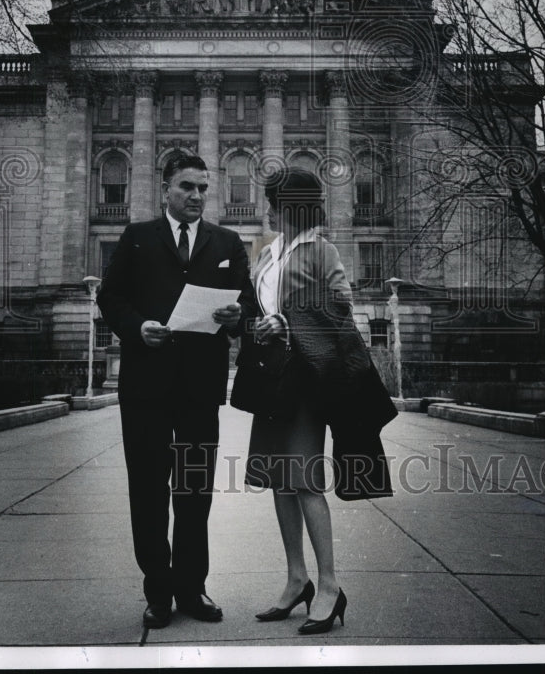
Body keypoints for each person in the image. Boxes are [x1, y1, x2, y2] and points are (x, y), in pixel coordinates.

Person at [97, 151, 255, 629]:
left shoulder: (227, 241)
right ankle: (158, 593)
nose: (198, 196)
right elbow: (110, 296)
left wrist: (237, 316)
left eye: (204, 187)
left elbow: (246, 300)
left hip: (198, 390)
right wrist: (136, 326)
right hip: (146, 386)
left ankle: (192, 588)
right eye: (188, 186)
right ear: (166, 188)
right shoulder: (137, 237)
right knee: (147, 491)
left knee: (193, 491)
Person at [242, 166, 397, 635]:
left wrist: (288, 324)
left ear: (291, 207)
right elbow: (259, 313)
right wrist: (249, 322)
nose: (266, 209)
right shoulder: (268, 254)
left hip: (308, 379)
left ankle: (329, 585)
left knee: (305, 479)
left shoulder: (320, 248)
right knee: (278, 480)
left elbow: (341, 306)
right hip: (273, 378)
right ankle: (296, 579)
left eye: (274, 201)